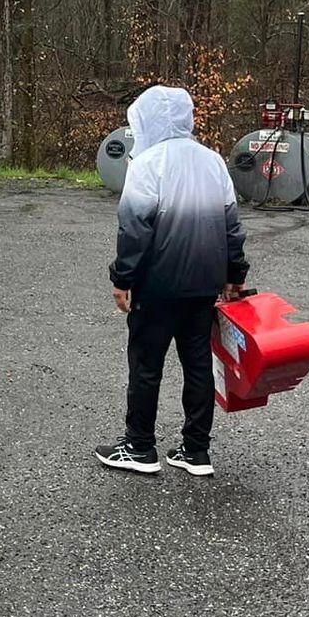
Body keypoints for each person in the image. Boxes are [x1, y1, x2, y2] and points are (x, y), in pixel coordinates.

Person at [98, 84, 248, 478]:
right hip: (204, 285)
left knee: (147, 364)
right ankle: (196, 450)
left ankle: (139, 446)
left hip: (157, 285)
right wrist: (235, 276)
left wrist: (122, 278)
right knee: (198, 363)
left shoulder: (148, 163)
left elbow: (134, 229)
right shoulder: (213, 162)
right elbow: (232, 226)